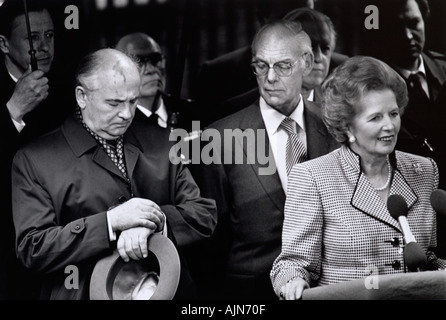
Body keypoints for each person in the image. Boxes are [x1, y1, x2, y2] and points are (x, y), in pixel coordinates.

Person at [11, 48, 216, 300]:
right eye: (114, 103)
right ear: (81, 96)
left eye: (133, 101)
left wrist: (153, 223)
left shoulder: (162, 141)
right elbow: (34, 248)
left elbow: (203, 213)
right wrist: (111, 223)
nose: (127, 114)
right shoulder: (34, 159)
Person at [270, 56, 446, 300]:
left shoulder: (425, 170)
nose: (390, 126)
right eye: (376, 118)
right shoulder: (313, 177)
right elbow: (291, 264)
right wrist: (293, 281)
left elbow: (426, 256)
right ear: (348, 127)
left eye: (393, 114)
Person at [197, 20, 339, 300]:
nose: (270, 77)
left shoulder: (335, 126)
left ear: (307, 63)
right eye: (261, 66)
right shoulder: (219, 137)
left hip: (326, 288)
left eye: (283, 66)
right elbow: (211, 241)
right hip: (249, 293)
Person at [0, 0, 72, 300]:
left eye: (50, 36)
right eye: (32, 38)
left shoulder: (67, 90)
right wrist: (13, 110)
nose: (43, 47)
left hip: (58, 237)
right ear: (4, 44)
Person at [361, 0, 446, 165]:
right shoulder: (369, 85)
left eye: (414, 23)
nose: (408, 35)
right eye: (396, 27)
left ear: (424, 20)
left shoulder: (443, 68)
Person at [222, 7, 345, 113]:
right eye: (311, 47)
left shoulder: (341, 109)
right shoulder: (236, 109)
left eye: (325, 49)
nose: (318, 58)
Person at [115, 32, 197, 132]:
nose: (151, 70)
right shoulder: (118, 126)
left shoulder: (191, 112)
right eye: (138, 63)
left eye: (155, 59)